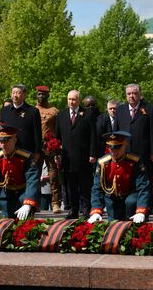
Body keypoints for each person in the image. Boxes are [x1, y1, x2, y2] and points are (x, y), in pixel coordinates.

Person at [88, 131, 151, 223]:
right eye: (111, 148)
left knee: (131, 203)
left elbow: (143, 186)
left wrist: (141, 210)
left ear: (125, 145)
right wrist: (96, 210)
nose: (114, 151)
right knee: (114, 228)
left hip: (131, 199)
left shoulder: (135, 161)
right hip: (113, 200)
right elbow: (97, 188)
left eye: (118, 148)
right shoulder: (103, 163)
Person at [55, 90, 97, 219]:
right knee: (71, 186)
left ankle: (86, 209)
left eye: (73, 99)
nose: (71, 102)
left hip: (84, 157)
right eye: (69, 99)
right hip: (67, 158)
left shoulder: (87, 114)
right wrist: (57, 154)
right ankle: (73, 209)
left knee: (84, 185)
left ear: (79, 100)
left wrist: (93, 154)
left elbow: (93, 136)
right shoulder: (61, 116)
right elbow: (57, 138)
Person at [0, 123, 39, 220]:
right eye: (0, 141)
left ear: (15, 139)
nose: (3, 144)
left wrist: (28, 204)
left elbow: (32, 181)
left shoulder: (26, 157)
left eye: (7, 140)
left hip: (24, 196)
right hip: (5, 198)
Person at [114, 84, 153, 167]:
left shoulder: (150, 109)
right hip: (124, 153)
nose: (131, 96)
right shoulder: (120, 110)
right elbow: (116, 131)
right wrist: (115, 150)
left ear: (139, 94)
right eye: (129, 94)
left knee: (143, 178)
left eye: (134, 93)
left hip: (143, 153)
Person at [34, 85, 61, 213]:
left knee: (53, 175)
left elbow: (59, 129)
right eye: (39, 94)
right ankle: (35, 202)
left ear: (48, 95)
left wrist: (57, 144)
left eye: (43, 94)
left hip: (51, 146)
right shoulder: (32, 110)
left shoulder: (54, 111)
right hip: (37, 146)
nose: (41, 97)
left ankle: (56, 203)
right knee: (35, 174)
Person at [0, 84, 42, 161]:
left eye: (18, 93)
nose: (15, 95)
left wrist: (37, 152)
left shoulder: (33, 111)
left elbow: (38, 133)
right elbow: (0, 131)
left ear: (24, 94)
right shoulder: (4, 111)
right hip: (9, 152)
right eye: (13, 93)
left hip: (27, 152)